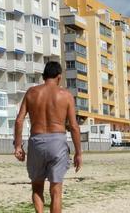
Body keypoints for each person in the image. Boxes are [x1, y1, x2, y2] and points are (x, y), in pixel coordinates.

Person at [14, 61, 82, 213]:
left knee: (37, 187)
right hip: (57, 142)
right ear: (59, 77)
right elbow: (74, 126)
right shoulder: (66, 95)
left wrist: (18, 146)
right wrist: (78, 152)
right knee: (56, 190)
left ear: (44, 76)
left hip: (36, 141)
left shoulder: (31, 92)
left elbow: (19, 120)